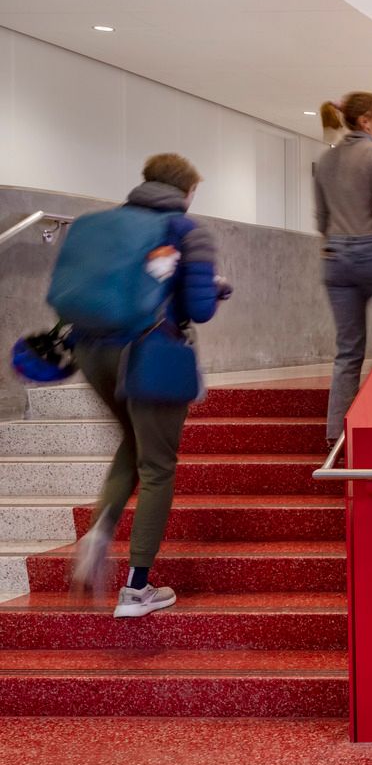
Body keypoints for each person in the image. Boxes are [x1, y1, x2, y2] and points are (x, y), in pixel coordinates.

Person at [67, 154, 229, 618]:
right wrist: (213, 290)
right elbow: (198, 310)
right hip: (147, 354)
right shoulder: (186, 230)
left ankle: (99, 531)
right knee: (158, 466)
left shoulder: (104, 225)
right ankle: (137, 589)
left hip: (90, 350)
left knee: (132, 441)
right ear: (186, 191)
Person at [315, 93, 372, 446]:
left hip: (334, 259)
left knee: (348, 351)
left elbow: (322, 218)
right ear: (366, 121)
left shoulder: (326, 159)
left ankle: (335, 440)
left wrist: (338, 247)